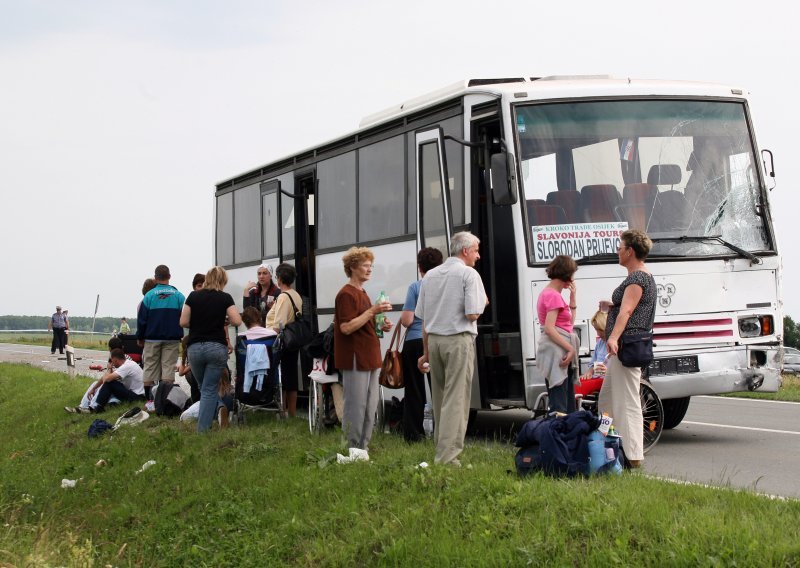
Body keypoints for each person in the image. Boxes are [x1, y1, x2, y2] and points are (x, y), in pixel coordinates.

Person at [415, 232, 487, 466]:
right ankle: (447, 457)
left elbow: (424, 319)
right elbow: (472, 313)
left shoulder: (430, 276)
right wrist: (483, 301)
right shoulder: (469, 274)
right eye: (476, 250)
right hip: (458, 340)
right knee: (456, 399)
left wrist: (425, 352)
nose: (478, 255)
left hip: (434, 340)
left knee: (440, 398)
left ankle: (442, 449)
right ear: (465, 251)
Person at [598, 229, 657, 468]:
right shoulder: (640, 277)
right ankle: (605, 446)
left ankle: (633, 457)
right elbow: (626, 306)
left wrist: (612, 337)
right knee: (606, 401)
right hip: (623, 348)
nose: (617, 251)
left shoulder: (637, 278)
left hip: (626, 347)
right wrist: (611, 305)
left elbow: (628, 311)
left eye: (620, 247)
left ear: (630, 251)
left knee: (627, 402)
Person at [334, 247, 392, 456]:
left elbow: (364, 322)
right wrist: (372, 311)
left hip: (370, 355)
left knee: (370, 406)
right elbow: (346, 327)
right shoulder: (346, 294)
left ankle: (362, 449)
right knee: (355, 406)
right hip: (355, 357)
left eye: (371, 266)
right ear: (352, 268)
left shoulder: (363, 292)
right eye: (365, 266)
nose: (369, 269)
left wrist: (380, 323)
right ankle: (351, 449)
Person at [180, 266, 242, 433]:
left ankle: (212, 417)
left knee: (204, 388)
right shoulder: (225, 298)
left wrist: (200, 321)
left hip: (194, 348)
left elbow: (183, 322)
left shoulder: (193, 296)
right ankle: (204, 429)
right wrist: (224, 319)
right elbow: (237, 321)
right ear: (223, 281)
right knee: (208, 388)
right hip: (216, 347)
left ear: (207, 279)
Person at [400, 247, 443, 442]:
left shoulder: (416, 287)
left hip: (415, 341)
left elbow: (407, 320)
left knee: (414, 390)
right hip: (438, 340)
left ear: (420, 267)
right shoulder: (445, 285)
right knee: (440, 388)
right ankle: (442, 433)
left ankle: (414, 434)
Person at [536, 255, 580, 414]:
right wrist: (571, 348)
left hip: (557, 350)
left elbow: (566, 325)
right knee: (561, 406)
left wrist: (572, 300)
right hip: (557, 352)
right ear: (566, 275)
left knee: (565, 404)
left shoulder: (549, 293)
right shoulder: (553, 296)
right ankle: (559, 437)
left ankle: (563, 437)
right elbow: (549, 328)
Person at [136, 265, 186, 400]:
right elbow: (185, 317)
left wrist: (140, 337)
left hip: (152, 338)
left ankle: (150, 401)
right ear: (169, 276)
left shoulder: (149, 296)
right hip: (172, 339)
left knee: (150, 369)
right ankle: (164, 401)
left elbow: (142, 320)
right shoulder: (179, 296)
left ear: (155, 278)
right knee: (168, 369)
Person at [265, 263, 303, 418]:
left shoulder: (283, 296)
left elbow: (278, 323)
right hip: (294, 340)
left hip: (283, 341)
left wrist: (267, 340)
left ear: (279, 278)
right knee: (291, 376)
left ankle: (285, 411)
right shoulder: (296, 294)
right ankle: (291, 413)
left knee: (283, 377)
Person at [67, 348, 146, 413]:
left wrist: (109, 368)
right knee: (97, 383)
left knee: (109, 383)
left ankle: (94, 407)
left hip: (137, 396)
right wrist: (93, 388)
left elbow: (107, 379)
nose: (112, 363)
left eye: (112, 361)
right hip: (131, 392)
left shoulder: (127, 366)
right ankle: (82, 406)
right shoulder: (126, 365)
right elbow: (103, 379)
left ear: (115, 360)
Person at [581, 310, 609, 380]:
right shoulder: (600, 342)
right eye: (596, 330)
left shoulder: (619, 343)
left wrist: (608, 372)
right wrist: (589, 372)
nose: (598, 334)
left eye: (601, 330)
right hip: (598, 381)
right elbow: (593, 363)